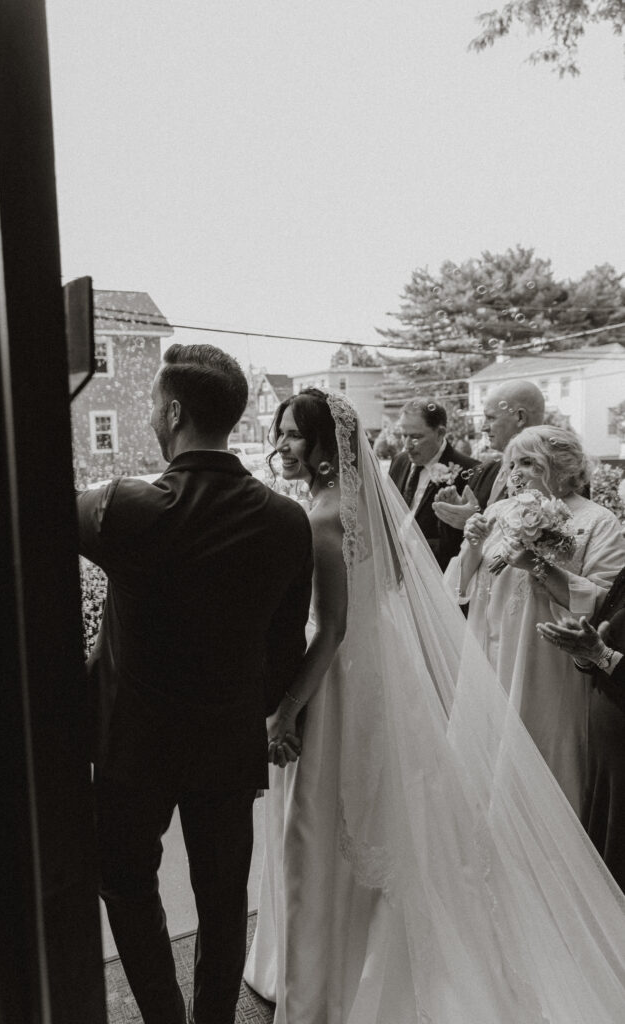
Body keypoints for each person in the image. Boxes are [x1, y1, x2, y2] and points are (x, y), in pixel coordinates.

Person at [245, 388, 625, 1024]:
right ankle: (335, 948)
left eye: (290, 435)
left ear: (323, 450)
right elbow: (398, 588)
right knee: (372, 813)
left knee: (333, 812)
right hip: (370, 671)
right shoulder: (352, 508)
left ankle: (328, 965)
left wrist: (286, 706)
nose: (278, 445)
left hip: (338, 678)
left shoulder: (322, 518)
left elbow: (331, 627)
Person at [77, 343, 313, 1024]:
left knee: (123, 882)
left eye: (153, 405)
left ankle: (163, 1018)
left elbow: (34, 524)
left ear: (173, 411)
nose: (152, 416)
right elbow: (283, 646)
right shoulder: (282, 519)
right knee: (220, 898)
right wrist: (249, 710)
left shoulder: (122, 506)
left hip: (131, 744)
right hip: (226, 743)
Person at [446, 425, 625, 812]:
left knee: (538, 758)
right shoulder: (497, 512)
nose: (515, 471)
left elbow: (603, 605)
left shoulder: (598, 522)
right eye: (513, 463)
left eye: (528, 461)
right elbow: (460, 588)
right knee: (482, 759)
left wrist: (540, 567)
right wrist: (473, 545)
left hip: (546, 666)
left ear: (560, 466)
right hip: (487, 652)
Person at [537, 566, 625, 890]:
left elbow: (607, 653)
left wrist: (602, 655)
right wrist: (585, 654)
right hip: (607, 744)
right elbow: (602, 639)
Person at [433, 379, 545, 531]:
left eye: (491, 418)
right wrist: (458, 512)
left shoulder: (552, 475)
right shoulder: (485, 471)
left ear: (520, 417)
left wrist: (478, 525)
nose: (483, 428)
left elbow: (547, 543)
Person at [388, 398, 478, 569]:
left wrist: (412, 550)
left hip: (435, 573)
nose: (407, 446)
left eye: (416, 437)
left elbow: (462, 540)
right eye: (403, 435)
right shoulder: (399, 461)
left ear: (440, 433)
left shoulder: (470, 470)